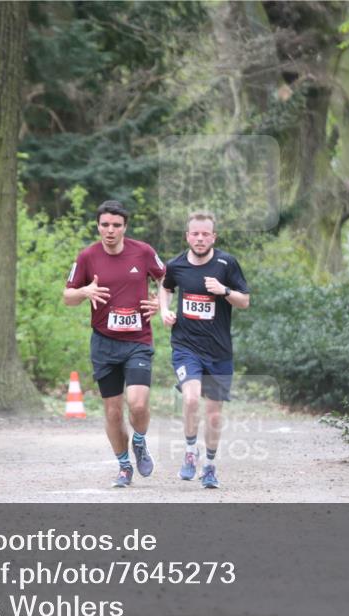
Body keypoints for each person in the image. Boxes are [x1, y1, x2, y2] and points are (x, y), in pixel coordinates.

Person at [64, 200, 165, 488]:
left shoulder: (143, 252)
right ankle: (123, 466)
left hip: (137, 341)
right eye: (105, 225)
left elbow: (166, 278)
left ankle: (141, 442)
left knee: (138, 403)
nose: (110, 230)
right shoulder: (87, 257)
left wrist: (160, 301)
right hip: (104, 343)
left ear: (125, 227)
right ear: (98, 226)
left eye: (116, 225)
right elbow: (67, 297)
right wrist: (84, 291)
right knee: (112, 410)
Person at [159, 211, 250, 489]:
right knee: (190, 398)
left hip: (219, 351)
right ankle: (190, 451)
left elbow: (244, 301)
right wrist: (164, 310)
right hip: (186, 346)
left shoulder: (227, 263)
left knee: (213, 414)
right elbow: (164, 288)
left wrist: (223, 290)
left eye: (205, 234)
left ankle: (209, 466)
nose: (200, 238)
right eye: (194, 233)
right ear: (187, 236)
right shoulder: (175, 265)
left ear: (213, 236)